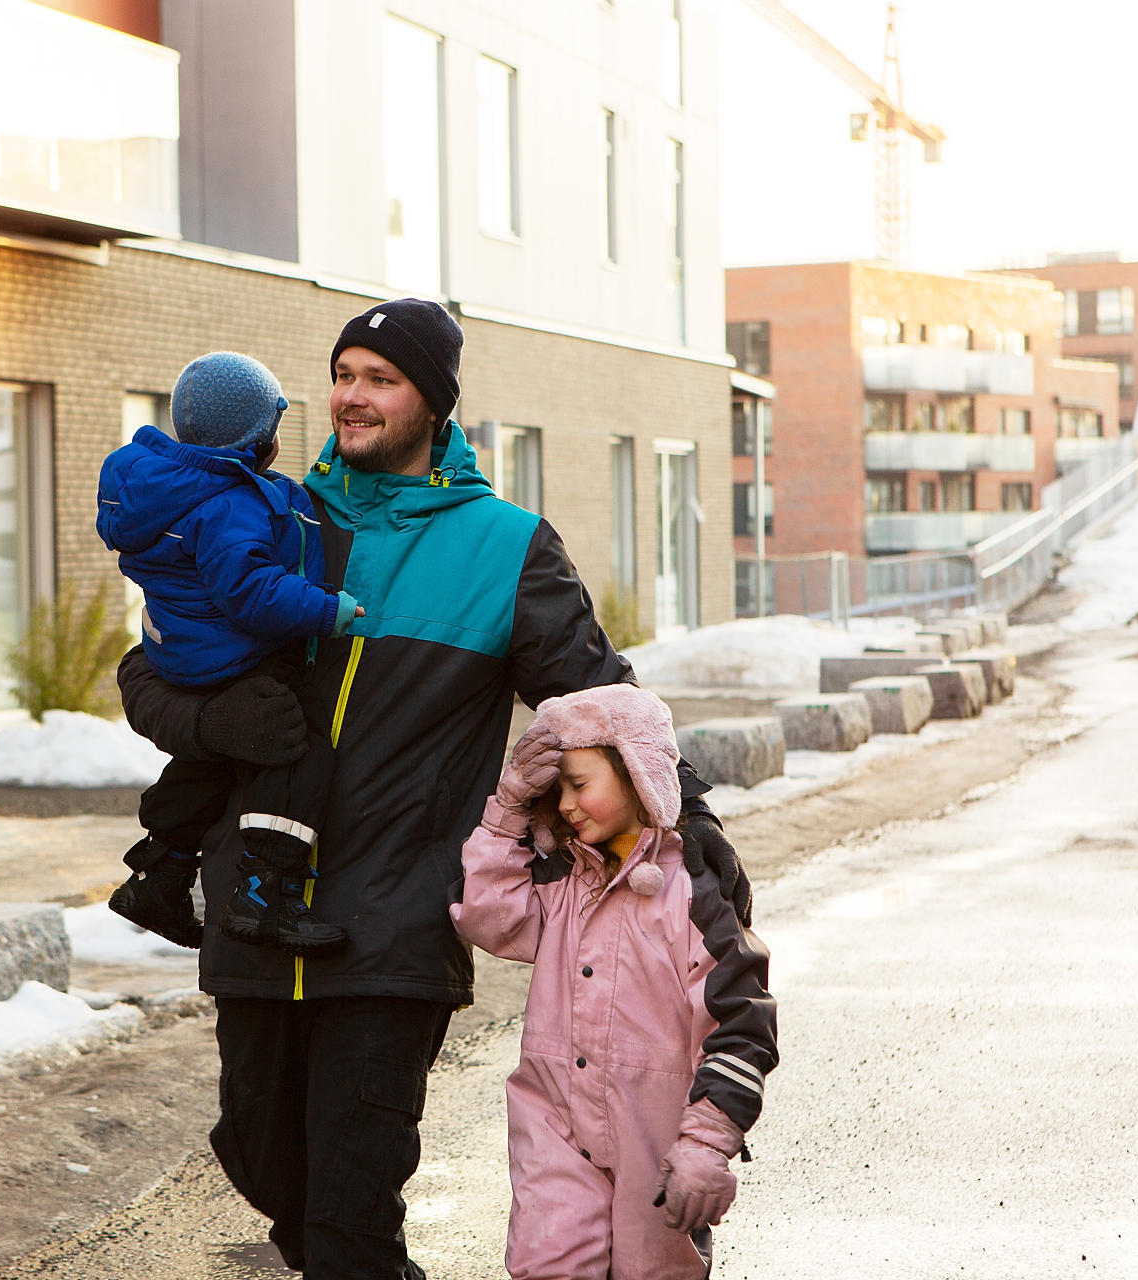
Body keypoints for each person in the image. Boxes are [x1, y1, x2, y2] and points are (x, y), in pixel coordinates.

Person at [116, 298, 754, 1279]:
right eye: (342, 374)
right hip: (255, 914)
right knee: (264, 1160)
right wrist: (213, 723)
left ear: (435, 404)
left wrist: (688, 810)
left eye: (381, 378)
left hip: (395, 924)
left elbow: (595, 698)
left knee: (347, 1212)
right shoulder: (274, 515)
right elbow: (150, 667)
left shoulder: (503, 548)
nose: (351, 397)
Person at [452, 684, 778, 1279]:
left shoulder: (692, 893)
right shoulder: (560, 881)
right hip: (553, 1125)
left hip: (655, 1144)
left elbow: (741, 1026)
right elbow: (487, 917)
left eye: (581, 785)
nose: (568, 805)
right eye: (558, 791)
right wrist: (508, 808)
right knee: (547, 1264)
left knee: (653, 1272)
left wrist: (706, 1143)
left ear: (636, 773)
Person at [100, 351, 361, 956]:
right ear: (255, 439)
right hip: (235, 651)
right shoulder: (231, 503)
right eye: (271, 427)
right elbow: (249, 593)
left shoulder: (165, 491)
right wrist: (329, 609)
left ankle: (159, 872)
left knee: (209, 761)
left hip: (183, 651)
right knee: (295, 746)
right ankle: (265, 891)